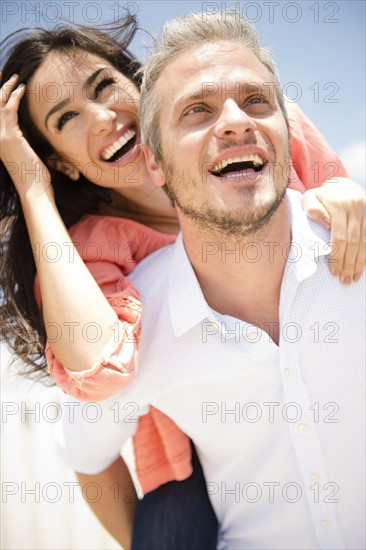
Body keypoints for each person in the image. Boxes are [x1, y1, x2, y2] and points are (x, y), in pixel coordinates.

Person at [0, 12, 364, 550]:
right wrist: (33, 189)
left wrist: (342, 191)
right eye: (68, 118)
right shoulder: (95, 249)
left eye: (105, 87)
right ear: (62, 162)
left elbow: (335, 192)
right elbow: (97, 373)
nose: (102, 116)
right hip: (187, 450)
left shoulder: (249, 124)